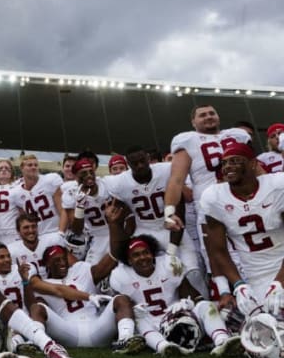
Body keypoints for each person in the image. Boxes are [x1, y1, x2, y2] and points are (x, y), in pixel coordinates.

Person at [109, 235, 242, 357]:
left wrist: (190, 303)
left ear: (153, 254)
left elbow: (191, 292)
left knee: (205, 305)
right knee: (138, 318)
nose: (143, 257)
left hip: (176, 315)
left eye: (146, 252)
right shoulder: (120, 275)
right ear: (129, 260)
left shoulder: (169, 265)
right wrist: (134, 309)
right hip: (149, 320)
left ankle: (222, 340)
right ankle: (163, 347)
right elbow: (122, 306)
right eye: (136, 255)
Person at [106, 146, 208, 297]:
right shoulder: (120, 183)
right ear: (128, 165)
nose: (140, 166)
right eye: (135, 163)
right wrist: (113, 222)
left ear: (148, 159)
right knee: (146, 274)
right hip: (144, 231)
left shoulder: (166, 170)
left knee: (193, 272)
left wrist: (172, 251)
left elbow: (178, 212)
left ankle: (204, 308)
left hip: (171, 227)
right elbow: (119, 216)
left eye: (142, 161)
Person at [200, 143, 284, 318]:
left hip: (281, 264)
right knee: (267, 329)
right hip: (255, 275)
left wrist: (280, 282)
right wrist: (239, 285)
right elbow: (218, 250)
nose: (228, 166)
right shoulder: (214, 197)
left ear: (253, 164)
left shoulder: (277, 185)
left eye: (235, 161)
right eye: (224, 163)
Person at [27, 243, 145, 353]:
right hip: (69, 330)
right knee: (37, 307)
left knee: (121, 298)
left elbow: (107, 263)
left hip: (97, 327)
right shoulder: (44, 284)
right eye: (57, 260)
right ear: (47, 263)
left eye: (64, 259)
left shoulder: (81, 269)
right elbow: (38, 305)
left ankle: (125, 339)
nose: (62, 263)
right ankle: (36, 343)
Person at [162, 105, 251, 247]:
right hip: (210, 206)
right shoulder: (188, 140)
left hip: (244, 202)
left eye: (212, 113)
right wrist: (169, 212)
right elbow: (176, 180)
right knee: (218, 256)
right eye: (202, 115)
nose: (208, 117)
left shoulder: (238, 135)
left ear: (218, 117)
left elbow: (255, 169)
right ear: (193, 122)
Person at [60, 159, 111, 264]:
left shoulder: (107, 184)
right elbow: (77, 230)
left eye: (91, 172)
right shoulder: (71, 194)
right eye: (84, 173)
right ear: (75, 176)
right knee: (91, 270)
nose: (89, 175)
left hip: (116, 230)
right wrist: (79, 208)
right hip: (97, 236)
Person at [11, 154, 63, 239]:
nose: (33, 167)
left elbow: (63, 211)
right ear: (22, 168)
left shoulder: (49, 181)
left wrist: (61, 232)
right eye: (30, 165)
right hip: (36, 237)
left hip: (55, 232)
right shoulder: (16, 193)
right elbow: (24, 220)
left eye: (36, 165)